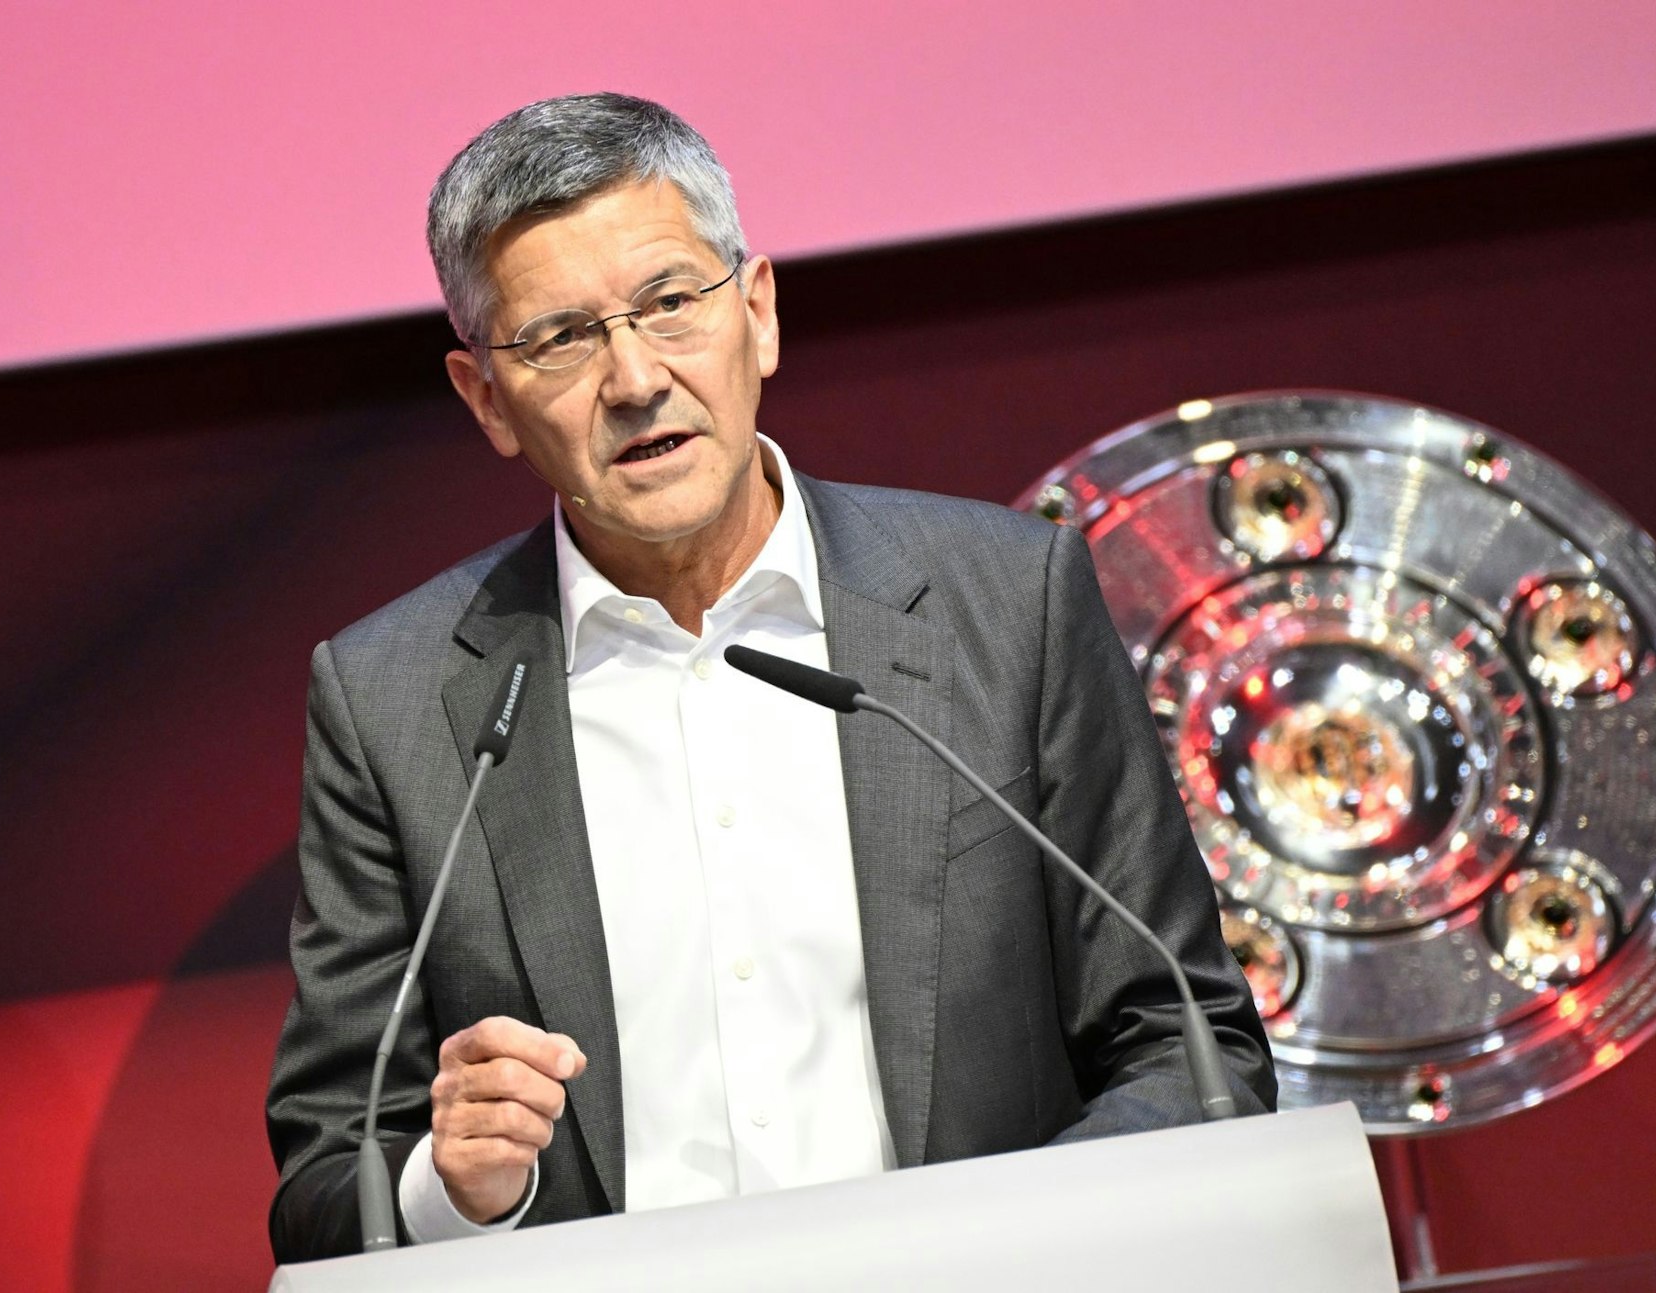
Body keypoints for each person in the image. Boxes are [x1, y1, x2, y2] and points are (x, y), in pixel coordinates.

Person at [266, 92, 1274, 1264]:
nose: (634, 378)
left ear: (757, 314)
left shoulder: (1007, 603)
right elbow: (324, 1181)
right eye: (560, 339)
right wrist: (452, 1187)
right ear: (486, 398)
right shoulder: (391, 702)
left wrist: (1012, 1254)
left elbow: (1185, 1039)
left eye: (669, 304)